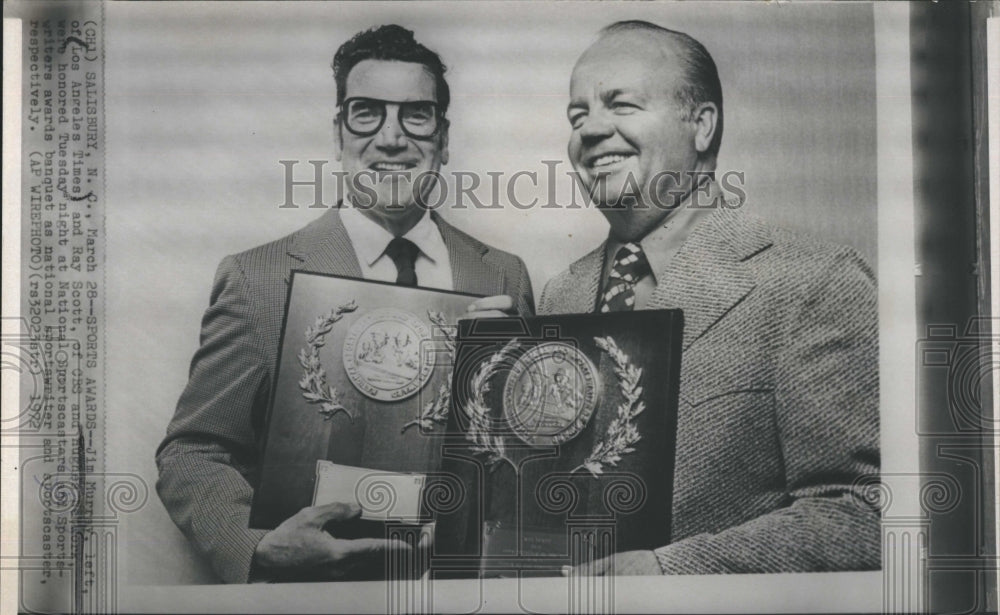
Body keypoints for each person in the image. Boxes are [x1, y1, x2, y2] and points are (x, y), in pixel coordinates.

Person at [493, 20, 880, 574]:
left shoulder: (813, 283)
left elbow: (866, 512)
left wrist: (670, 572)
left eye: (620, 104)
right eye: (577, 116)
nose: (590, 130)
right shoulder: (559, 295)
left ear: (701, 125)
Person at [155, 24, 534, 583]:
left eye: (416, 115)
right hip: (317, 598)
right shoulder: (258, 278)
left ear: (444, 138)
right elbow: (193, 449)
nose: (391, 138)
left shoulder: (504, 274)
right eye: (366, 113)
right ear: (338, 134)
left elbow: (526, 457)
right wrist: (257, 548)